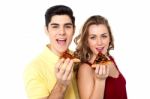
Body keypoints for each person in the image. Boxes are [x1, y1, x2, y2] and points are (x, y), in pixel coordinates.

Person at [24, 5, 79, 99]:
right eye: (55, 26)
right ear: (46, 30)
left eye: (67, 26)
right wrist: (61, 85)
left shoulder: (79, 59)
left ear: (74, 30)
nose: (62, 32)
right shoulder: (34, 69)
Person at [74, 15, 127, 99]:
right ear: (87, 41)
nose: (99, 42)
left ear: (109, 38)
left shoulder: (110, 59)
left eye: (104, 36)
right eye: (93, 37)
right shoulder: (85, 69)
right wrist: (100, 81)